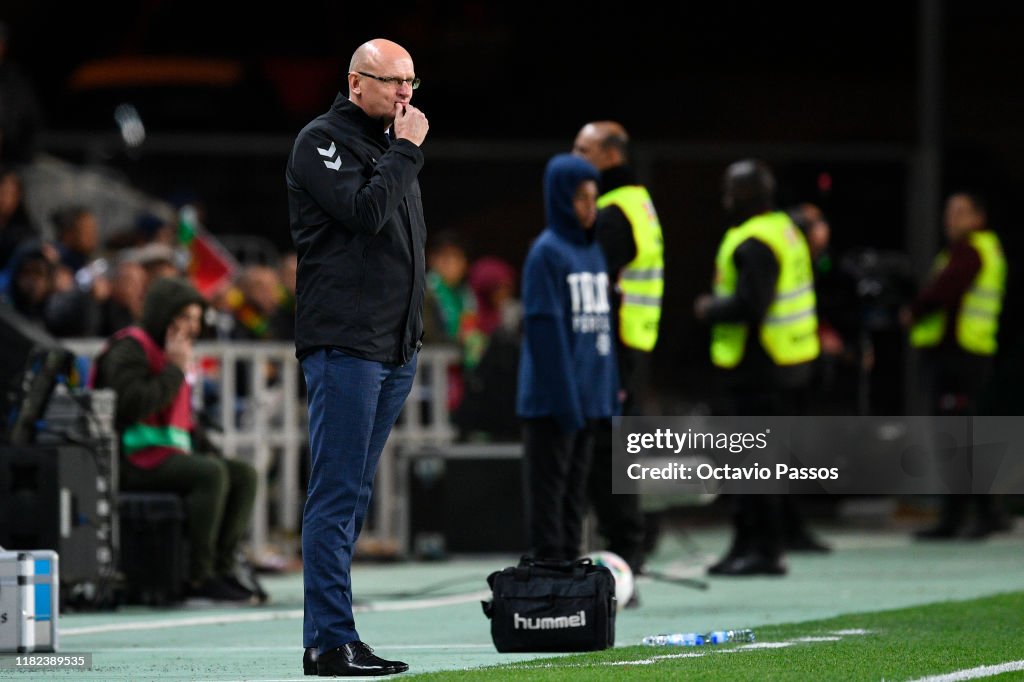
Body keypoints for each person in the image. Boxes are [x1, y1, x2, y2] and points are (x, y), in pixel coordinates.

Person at [286, 37, 427, 677]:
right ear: (355, 81)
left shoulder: (390, 145)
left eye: (411, 82)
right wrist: (406, 151)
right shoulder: (321, 139)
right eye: (392, 81)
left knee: (354, 492)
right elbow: (367, 214)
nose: (404, 93)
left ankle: (338, 636)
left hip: (391, 346)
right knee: (337, 493)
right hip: (347, 343)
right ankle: (328, 641)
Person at [91, 277, 259, 603]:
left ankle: (223, 570)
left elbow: (180, 419)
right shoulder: (129, 348)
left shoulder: (174, 352)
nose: (192, 327)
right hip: (129, 458)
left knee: (242, 474)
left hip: (164, 455)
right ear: (162, 315)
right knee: (210, 474)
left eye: (197, 319)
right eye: (184, 318)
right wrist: (174, 370)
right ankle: (198, 577)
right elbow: (131, 405)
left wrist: (206, 446)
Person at [694, 160, 820, 576]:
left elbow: (752, 305)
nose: (724, 196)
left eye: (730, 188)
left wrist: (710, 308)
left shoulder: (754, 241)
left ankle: (760, 549)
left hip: (759, 367)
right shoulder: (784, 230)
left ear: (743, 195)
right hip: (788, 361)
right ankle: (752, 545)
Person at [573, 121, 663, 586]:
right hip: (633, 342)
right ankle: (630, 547)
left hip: (614, 348)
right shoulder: (639, 202)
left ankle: (624, 554)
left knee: (606, 455)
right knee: (614, 453)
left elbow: (592, 281)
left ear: (610, 155)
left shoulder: (614, 211)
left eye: (583, 149)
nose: (575, 157)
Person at [517, 153, 618, 563]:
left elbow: (602, 332)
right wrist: (567, 402)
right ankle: (550, 580)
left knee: (576, 499)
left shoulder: (593, 251)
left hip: (587, 403)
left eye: (595, 198)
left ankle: (571, 577)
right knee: (549, 501)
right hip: (553, 406)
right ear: (560, 199)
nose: (590, 208)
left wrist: (606, 396)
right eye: (581, 199)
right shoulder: (546, 253)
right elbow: (546, 335)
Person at [905, 191, 1009, 539]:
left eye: (961, 212)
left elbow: (944, 291)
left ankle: (957, 517)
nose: (951, 218)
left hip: (959, 358)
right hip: (968, 354)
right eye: (949, 211)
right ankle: (985, 512)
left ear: (979, 218)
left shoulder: (971, 251)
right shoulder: (979, 249)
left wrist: (913, 312)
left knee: (956, 439)